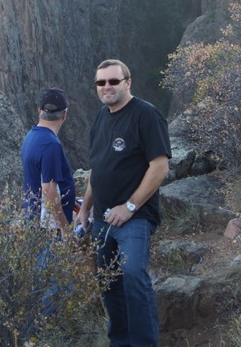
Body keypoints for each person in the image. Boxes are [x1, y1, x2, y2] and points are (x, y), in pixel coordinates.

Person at [76, 59, 170, 347]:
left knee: (132, 274)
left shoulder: (146, 115)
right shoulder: (101, 118)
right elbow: (97, 169)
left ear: (127, 82)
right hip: (103, 219)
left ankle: (144, 343)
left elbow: (159, 166)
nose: (107, 87)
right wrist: (85, 208)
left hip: (135, 218)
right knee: (108, 282)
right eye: (101, 82)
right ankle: (120, 341)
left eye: (113, 81)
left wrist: (129, 207)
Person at [22, 86, 76, 236]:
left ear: (39, 111)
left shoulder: (31, 137)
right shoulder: (50, 144)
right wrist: (66, 231)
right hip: (49, 229)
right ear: (64, 115)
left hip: (33, 219)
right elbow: (49, 191)